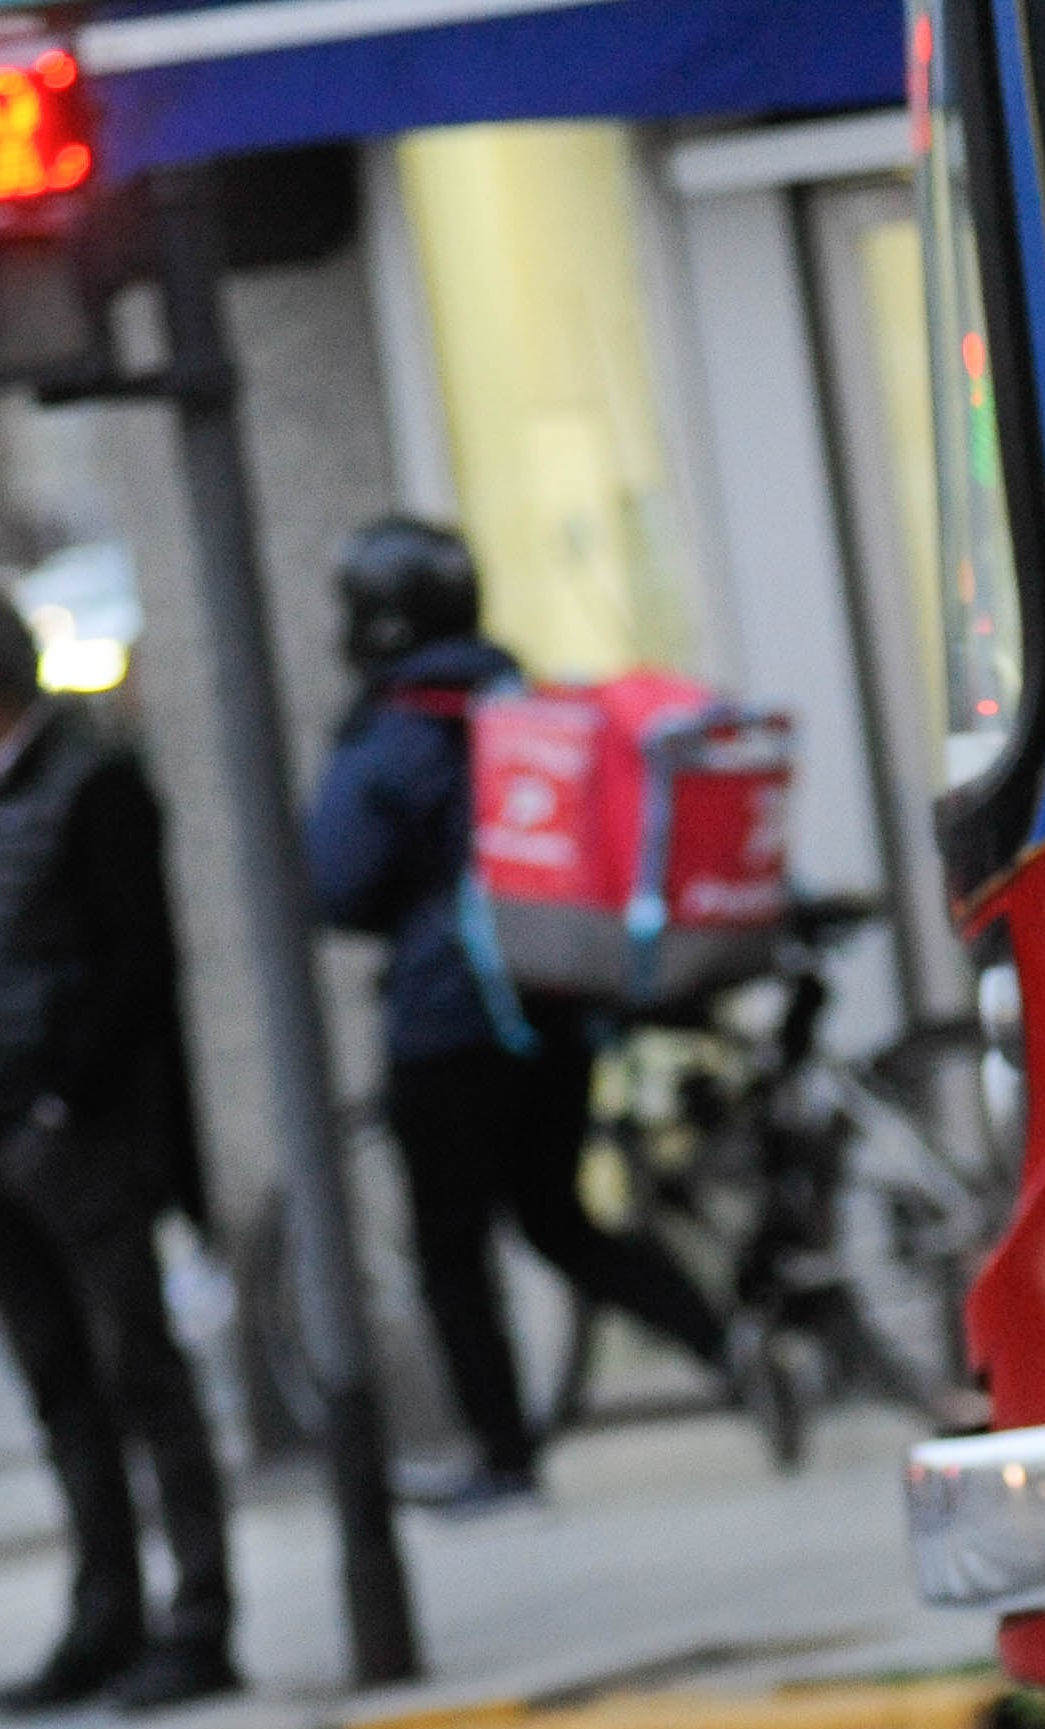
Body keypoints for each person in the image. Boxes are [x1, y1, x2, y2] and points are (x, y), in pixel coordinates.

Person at [308, 516, 744, 1515]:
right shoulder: (521, 702)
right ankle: (724, 1340)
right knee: (558, 1219)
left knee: (450, 1249)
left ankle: (502, 1458)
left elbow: (335, 882)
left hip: (444, 1024)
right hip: (555, 1002)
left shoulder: (392, 733)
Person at [0, 584, 241, 1713]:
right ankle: (105, 1614)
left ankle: (197, 1614)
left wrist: (59, 1102)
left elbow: (137, 969)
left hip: (72, 1136)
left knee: (141, 1373)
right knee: (58, 1388)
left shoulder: (94, 790)